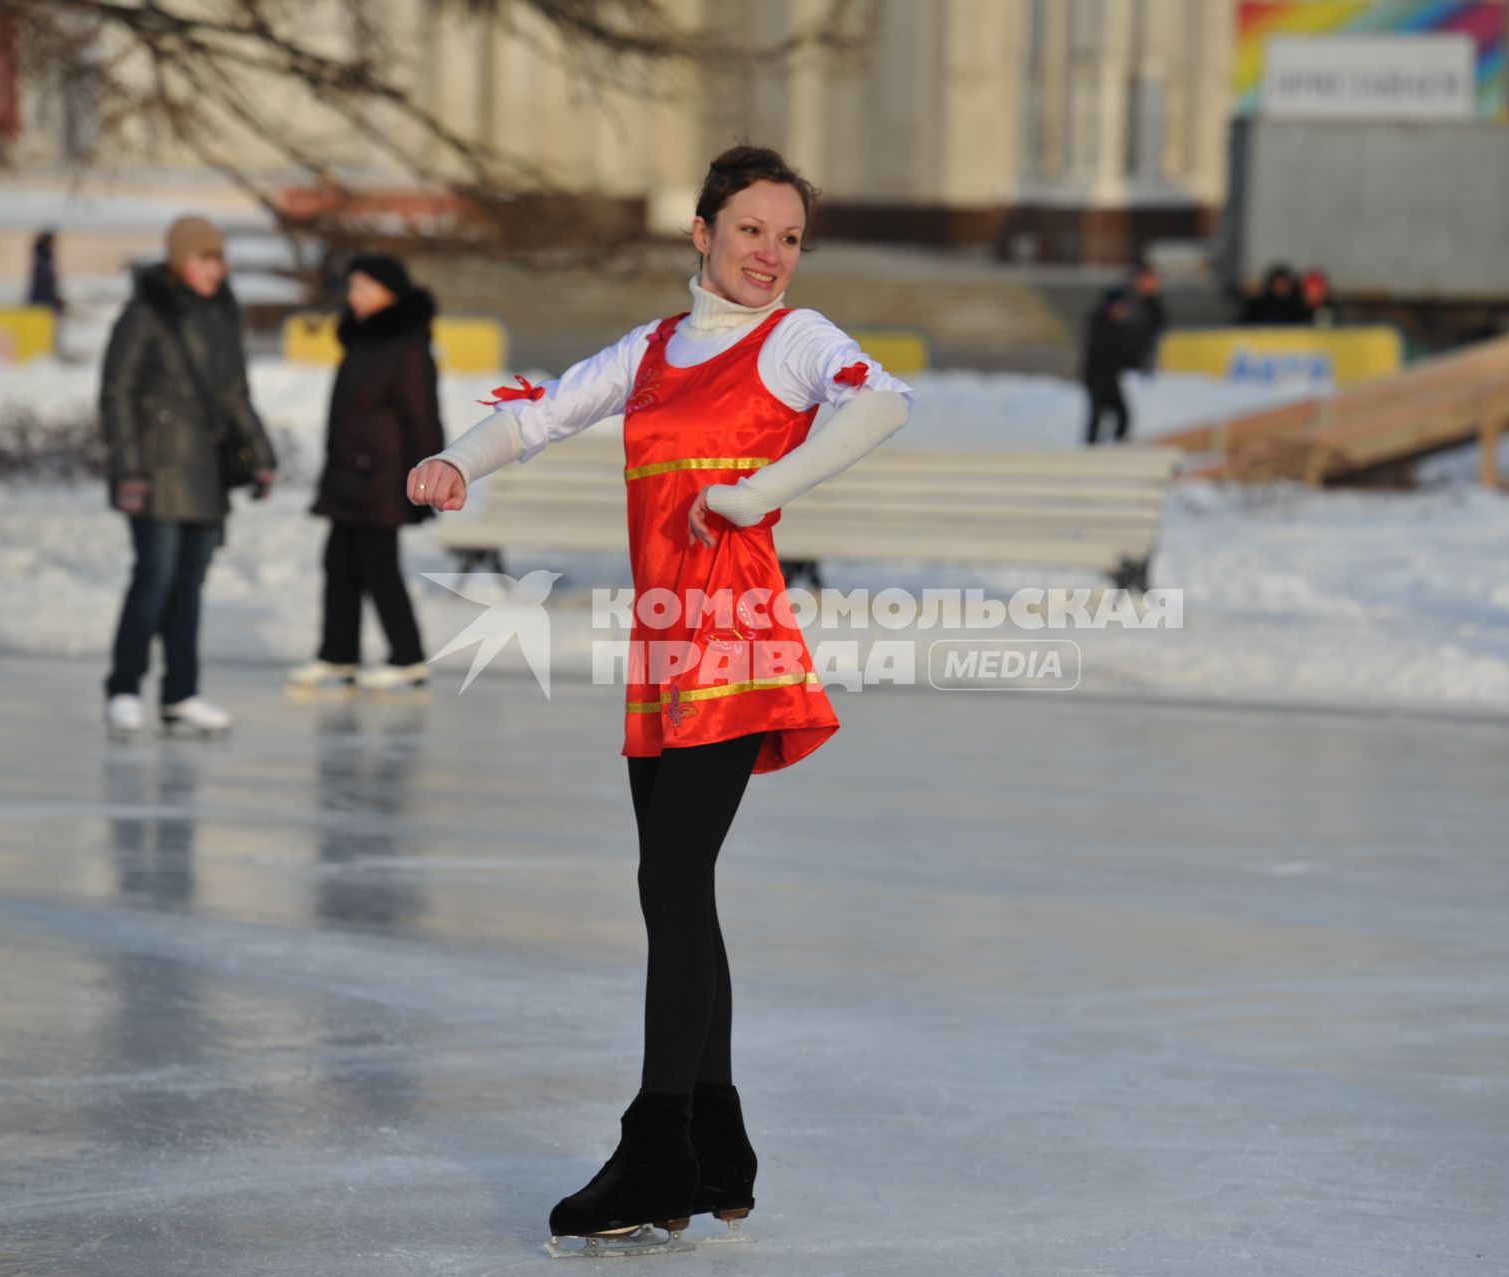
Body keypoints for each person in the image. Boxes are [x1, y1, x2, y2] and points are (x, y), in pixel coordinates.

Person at [409, 144, 913, 1253]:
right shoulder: (652, 350)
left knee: (672, 880)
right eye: (750, 232)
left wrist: (754, 492)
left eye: (788, 236)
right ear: (702, 233)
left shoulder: (799, 341)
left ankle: (655, 1146)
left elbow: (884, 404)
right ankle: (715, 1143)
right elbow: (539, 411)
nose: (772, 255)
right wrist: (459, 458)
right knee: (679, 889)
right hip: (664, 651)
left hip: (737, 641)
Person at [99, 215, 277, 739]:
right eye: (204, 258)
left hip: (206, 471)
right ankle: (124, 689)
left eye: (219, 259)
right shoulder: (145, 312)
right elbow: (117, 395)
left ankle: (181, 693)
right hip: (155, 471)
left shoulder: (223, 314)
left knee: (190, 586)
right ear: (179, 260)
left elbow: (234, 395)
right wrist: (129, 469)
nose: (214, 269)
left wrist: (260, 455)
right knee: (153, 579)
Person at [287, 255, 444, 693]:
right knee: (339, 563)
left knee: (378, 567)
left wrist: (427, 473)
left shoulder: (406, 346)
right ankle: (338, 655)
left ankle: (408, 657)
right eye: (352, 287)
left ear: (389, 294)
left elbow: (423, 416)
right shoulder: (361, 341)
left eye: (363, 288)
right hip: (348, 473)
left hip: (383, 476)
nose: (353, 296)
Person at [1081, 285, 1151, 445]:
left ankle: (1114, 447)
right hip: (1096, 379)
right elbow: (1108, 350)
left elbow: (1128, 352)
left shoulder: (1120, 327)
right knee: (1097, 414)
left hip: (1111, 379)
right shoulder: (1099, 324)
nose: (1122, 311)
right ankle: (1090, 449)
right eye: (1119, 307)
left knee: (1123, 416)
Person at [1239, 262, 1308, 325]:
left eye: (1283, 284)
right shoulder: (1259, 307)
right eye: (1277, 283)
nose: (1280, 287)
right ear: (1271, 285)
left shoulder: (1298, 309)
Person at [27, 229, 64, 316]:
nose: (56, 243)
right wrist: (54, 299)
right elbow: (45, 282)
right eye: (53, 240)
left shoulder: (46, 257)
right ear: (48, 241)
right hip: (42, 301)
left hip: (44, 299)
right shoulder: (43, 259)